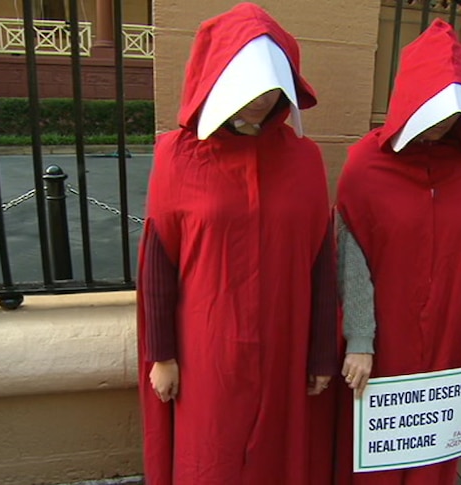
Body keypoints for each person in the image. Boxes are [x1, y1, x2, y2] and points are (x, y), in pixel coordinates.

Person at [135, 4, 337, 484]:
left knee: (276, 457)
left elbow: (321, 262)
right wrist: (162, 356)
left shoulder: (305, 160)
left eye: (270, 88)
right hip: (206, 348)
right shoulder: (176, 155)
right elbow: (158, 262)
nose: (260, 101)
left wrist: (322, 352)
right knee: (211, 454)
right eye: (249, 86)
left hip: (285, 342)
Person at [335, 19, 461, 485]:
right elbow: (354, 257)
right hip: (387, 336)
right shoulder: (365, 165)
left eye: (455, 111)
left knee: (434, 448)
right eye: (436, 108)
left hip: (449, 334)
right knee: (380, 455)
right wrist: (361, 340)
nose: (447, 122)